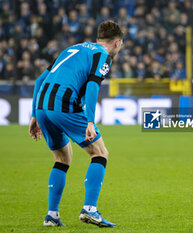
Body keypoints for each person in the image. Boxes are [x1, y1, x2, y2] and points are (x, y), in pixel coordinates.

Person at [29, 20, 124, 227]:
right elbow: (92, 86)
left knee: (63, 158)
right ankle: (90, 209)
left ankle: (52, 215)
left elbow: (39, 81)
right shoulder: (103, 55)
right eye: (121, 45)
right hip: (63, 103)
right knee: (100, 152)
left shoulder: (73, 48)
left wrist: (34, 115)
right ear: (117, 43)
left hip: (43, 105)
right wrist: (90, 120)